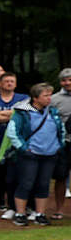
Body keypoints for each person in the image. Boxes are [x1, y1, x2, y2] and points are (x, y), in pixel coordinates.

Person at [6, 83, 65, 226]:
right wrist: (23, 148)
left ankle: (40, 214)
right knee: (26, 183)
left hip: (50, 154)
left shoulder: (53, 112)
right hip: (30, 154)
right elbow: (12, 132)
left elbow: (61, 130)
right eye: (45, 95)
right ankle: (20, 213)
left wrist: (59, 145)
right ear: (35, 98)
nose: (49, 98)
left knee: (44, 184)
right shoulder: (23, 112)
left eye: (50, 95)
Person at [0, 72, 27, 218]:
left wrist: (1, 115)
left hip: (17, 143)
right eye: (6, 81)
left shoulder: (23, 98)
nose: (9, 83)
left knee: (17, 175)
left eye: (12, 81)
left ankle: (15, 204)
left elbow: (26, 117)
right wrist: (13, 113)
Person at [49, 68, 71, 219]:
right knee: (61, 177)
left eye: (70, 79)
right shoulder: (54, 99)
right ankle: (59, 209)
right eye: (64, 80)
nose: (67, 83)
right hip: (64, 142)